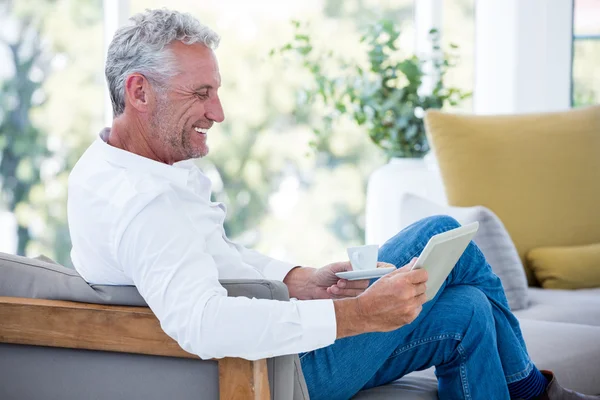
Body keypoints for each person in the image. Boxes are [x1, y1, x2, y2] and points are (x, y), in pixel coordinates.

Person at [67, 8, 597, 400]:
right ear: (138, 92)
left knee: (456, 274)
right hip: (269, 372)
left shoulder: (126, 169)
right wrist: (354, 316)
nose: (219, 112)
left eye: (216, 91)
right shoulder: (143, 203)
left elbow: (214, 254)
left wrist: (297, 278)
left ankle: (528, 391)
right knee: (456, 279)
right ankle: (532, 392)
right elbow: (203, 323)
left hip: (272, 347)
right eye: (200, 93)